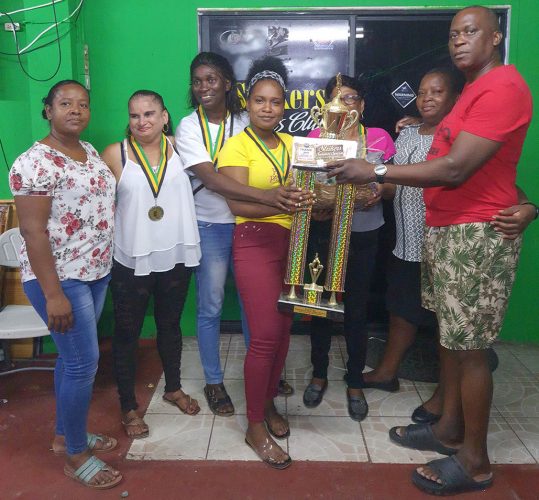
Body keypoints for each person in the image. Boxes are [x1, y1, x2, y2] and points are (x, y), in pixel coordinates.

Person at [327, 6, 534, 495]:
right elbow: (489, 168)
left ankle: (475, 461)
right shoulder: (471, 96)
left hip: (475, 234)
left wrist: (374, 171)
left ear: (496, 35)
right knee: (451, 341)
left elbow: (456, 169)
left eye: (471, 32)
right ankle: (448, 430)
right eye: (453, 34)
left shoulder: (503, 87)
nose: (459, 41)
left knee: (472, 349)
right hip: (447, 232)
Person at [363, 71, 536, 429]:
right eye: (422, 92)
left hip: (448, 245)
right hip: (408, 242)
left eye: (437, 92)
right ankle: (387, 373)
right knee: (400, 310)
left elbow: (495, 181)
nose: (426, 98)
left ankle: (446, 399)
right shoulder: (407, 133)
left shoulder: (462, 137)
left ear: (455, 99)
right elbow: (396, 182)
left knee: (451, 331)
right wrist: (378, 188)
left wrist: (530, 206)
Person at [175, 52, 307, 416]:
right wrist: (269, 196)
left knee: (258, 307)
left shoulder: (243, 120)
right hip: (212, 223)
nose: (204, 86)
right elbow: (212, 177)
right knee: (212, 305)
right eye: (198, 80)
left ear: (228, 85)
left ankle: (264, 373)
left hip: (256, 224)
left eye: (212, 79)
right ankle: (214, 381)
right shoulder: (190, 126)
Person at [9, 80, 122, 489]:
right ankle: (76, 453)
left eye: (83, 104)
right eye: (65, 103)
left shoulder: (89, 152)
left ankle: (64, 435)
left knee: (69, 359)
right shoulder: (33, 163)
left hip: (95, 271)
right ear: (48, 110)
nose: (75, 110)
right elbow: (33, 232)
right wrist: (53, 294)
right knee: (82, 363)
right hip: (59, 278)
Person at [102, 90, 201, 439]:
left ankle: (172, 387)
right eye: (134, 115)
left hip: (175, 253)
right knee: (127, 333)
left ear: (164, 117)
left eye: (149, 114)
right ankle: (128, 406)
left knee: (170, 325)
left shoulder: (182, 147)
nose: (141, 121)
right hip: (132, 257)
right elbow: (98, 206)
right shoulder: (117, 154)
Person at [218, 56, 300, 469]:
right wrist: (280, 200)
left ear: (284, 106)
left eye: (275, 102)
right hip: (254, 241)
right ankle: (254, 426)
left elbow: (309, 192)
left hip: (294, 243)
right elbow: (235, 201)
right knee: (265, 336)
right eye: (260, 101)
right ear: (247, 103)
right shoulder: (236, 145)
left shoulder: (292, 146)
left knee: (284, 333)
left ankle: (267, 405)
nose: (268, 108)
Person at [302, 74, 395, 421]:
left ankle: (355, 380)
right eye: (337, 98)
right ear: (326, 105)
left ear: (363, 105)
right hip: (324, 233)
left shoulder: (379, 138)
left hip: (364, 233)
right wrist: (315, 201)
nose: (345, 104)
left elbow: (395, 184)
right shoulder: (314, 137)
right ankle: (319, 374)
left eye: (352, 98)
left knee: (356, 309)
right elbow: (304, 184)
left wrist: (379, 192)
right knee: (322, 307)